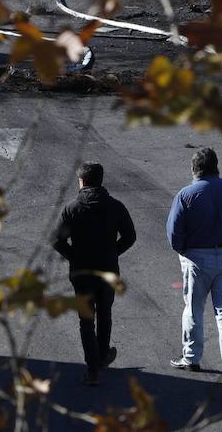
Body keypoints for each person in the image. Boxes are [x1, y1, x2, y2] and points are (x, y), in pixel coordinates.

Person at [166, 147, 222, 384]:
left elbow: (174, 235)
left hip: (197, 258)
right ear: (217, 166)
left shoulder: (185, 195)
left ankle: (191, 358)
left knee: (194, 308)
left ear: (194, 169)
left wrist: (185, 251)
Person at [52, 162, 137, 386]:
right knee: (105, 313)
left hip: (81, 272)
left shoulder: (72, 208)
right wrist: (112, 253)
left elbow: (56, 239)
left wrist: (74, 256)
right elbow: (130, 237)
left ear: (82, 181)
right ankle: (102, 355)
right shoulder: (116, 206)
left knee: (86, 320)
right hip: (108, 270)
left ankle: (92, 369)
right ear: (101, 180)